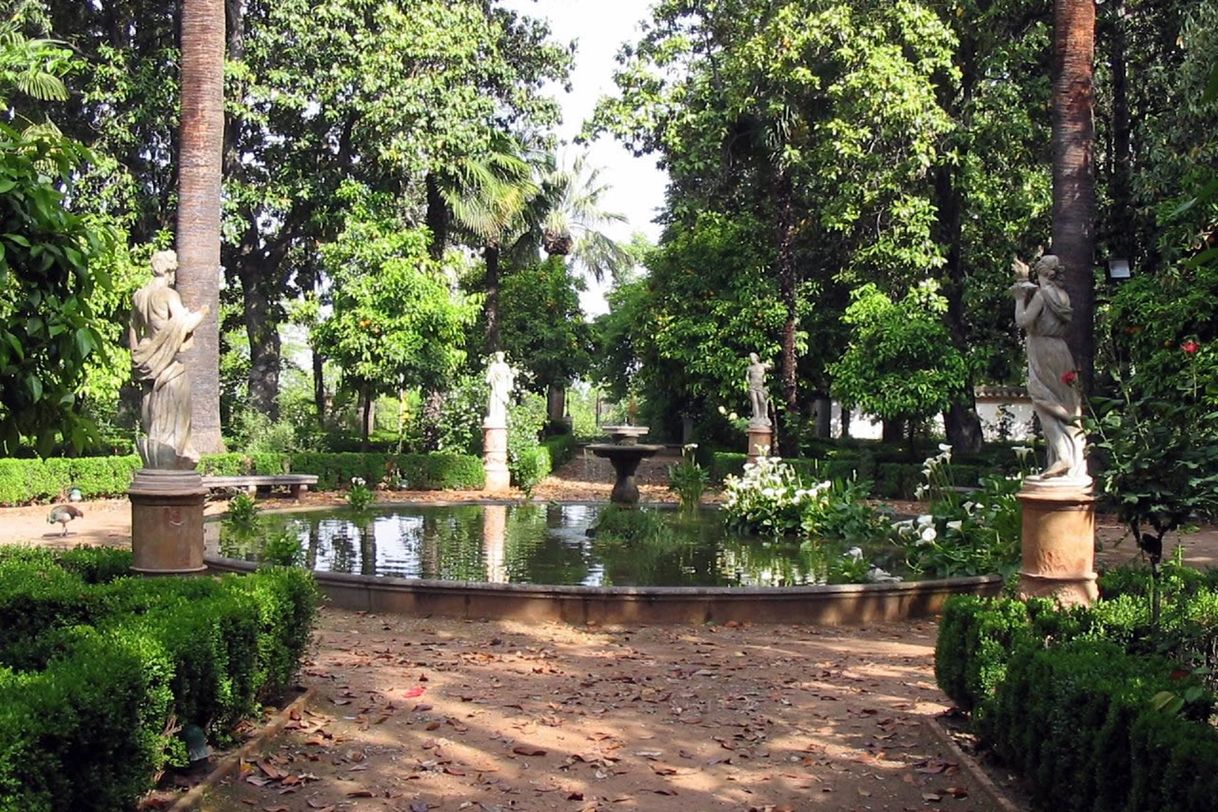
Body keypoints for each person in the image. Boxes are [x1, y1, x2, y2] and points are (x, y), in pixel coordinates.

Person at [129, 250, 208, 469]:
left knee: (148, 400)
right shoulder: (168, 295)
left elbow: (134, 331)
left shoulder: (139, 296)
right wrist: (201, 314)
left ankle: (156, 451)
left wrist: (138, 357)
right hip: (165, 364)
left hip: (145, 358)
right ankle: (176, 449)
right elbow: (182, 325)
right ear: (170, 271)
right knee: (177, 387)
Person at [1012, 254, 1086, 479]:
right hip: (1061, 351)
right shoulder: (1062, 296)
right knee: (1066, 402)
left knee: (1043, 400)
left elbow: (1023, 322)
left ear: (1042, 271)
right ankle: (1067, 460)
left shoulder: (1043, 295)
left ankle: (1063, 456)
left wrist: (1018, 298)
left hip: (1043, 350)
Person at [485, 351, 514, 426]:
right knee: (493, 401)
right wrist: (488, 379)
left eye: (500, 357)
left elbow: (509, 377)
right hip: (495, 386)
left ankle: (500, 417)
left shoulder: (505, 366)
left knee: (500, 402)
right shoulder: (493, 365)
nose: (498, 358)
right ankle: (493, 416)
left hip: (502, 386)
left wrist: (509, 387)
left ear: (502, 358)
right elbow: (490, 374)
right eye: (497, 357)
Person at [746, 352, 772, 427]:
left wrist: (768, 364)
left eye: (752, 358)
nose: (751, 360)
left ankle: (764, 415)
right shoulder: (750, 368)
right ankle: (756, 416)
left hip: (760, 386)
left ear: (756, 358)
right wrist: (748, 382)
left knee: (762, 401)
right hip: (752, 386)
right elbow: (747, 376)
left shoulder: (762, 366)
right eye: (750, 358)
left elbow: (770, 367)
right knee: (755, 401)